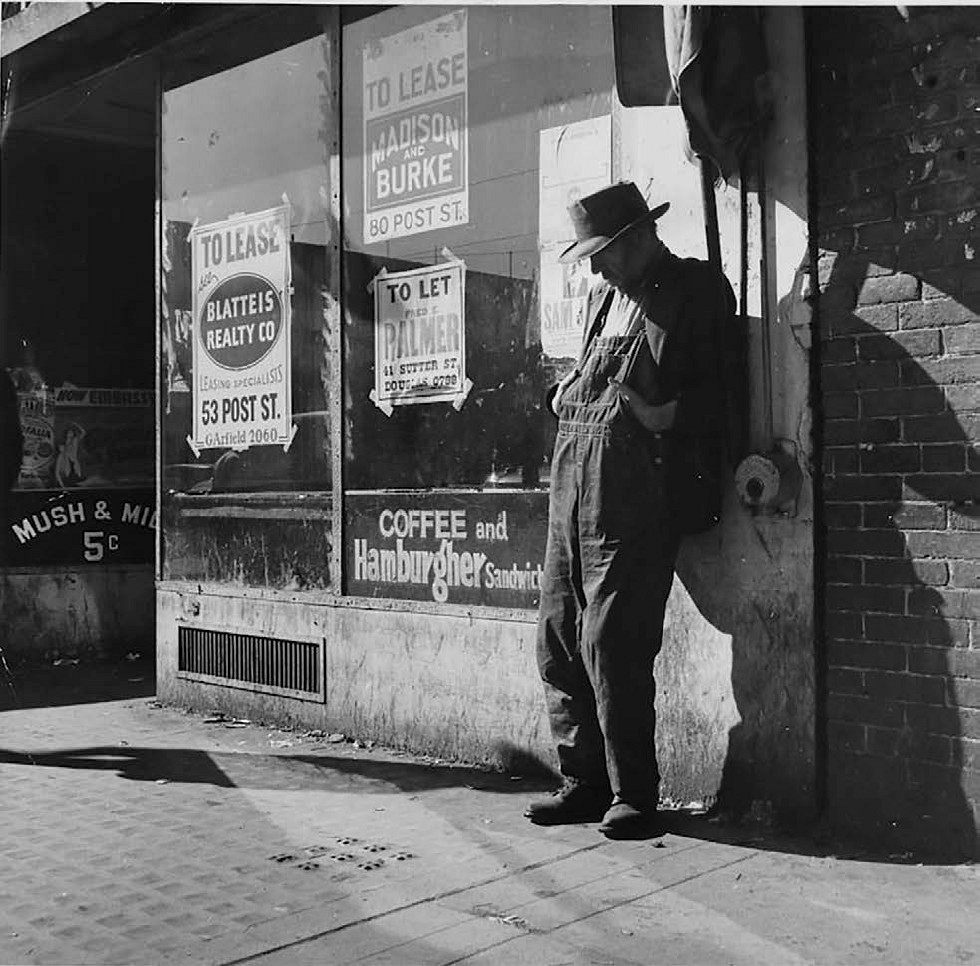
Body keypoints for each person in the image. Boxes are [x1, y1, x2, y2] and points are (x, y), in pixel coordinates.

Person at [526, 181, 736, 839]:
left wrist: (662, 414)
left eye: (604, 252)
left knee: (611, 640)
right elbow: (591, 377)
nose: (594, 266)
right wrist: (566, 390)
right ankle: (583, 783)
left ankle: (633, 796)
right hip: (573, 484)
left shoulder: (697, 291)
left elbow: (726, 393)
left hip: (638, 490)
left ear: (641, 236)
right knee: (559, 637)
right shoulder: (601, 298)